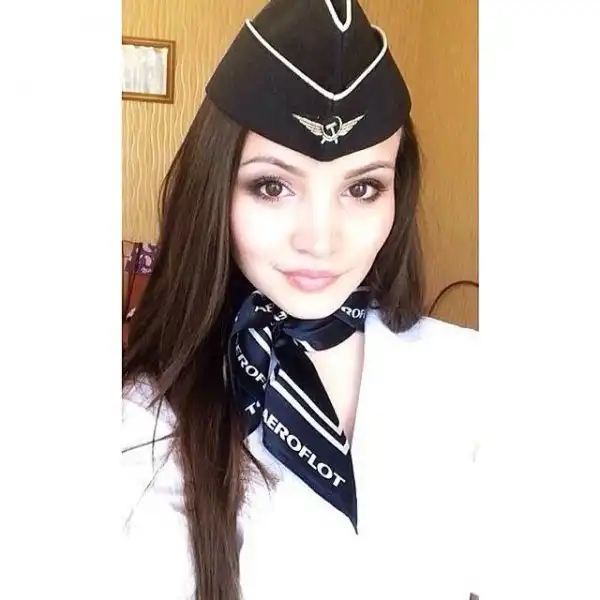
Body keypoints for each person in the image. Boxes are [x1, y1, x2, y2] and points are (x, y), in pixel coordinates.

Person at [122, 1, 480, 599]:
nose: (320, 240)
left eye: (362, 187)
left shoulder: (474, 373)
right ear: (216, 191)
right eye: (272, 186)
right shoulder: (143, 421)